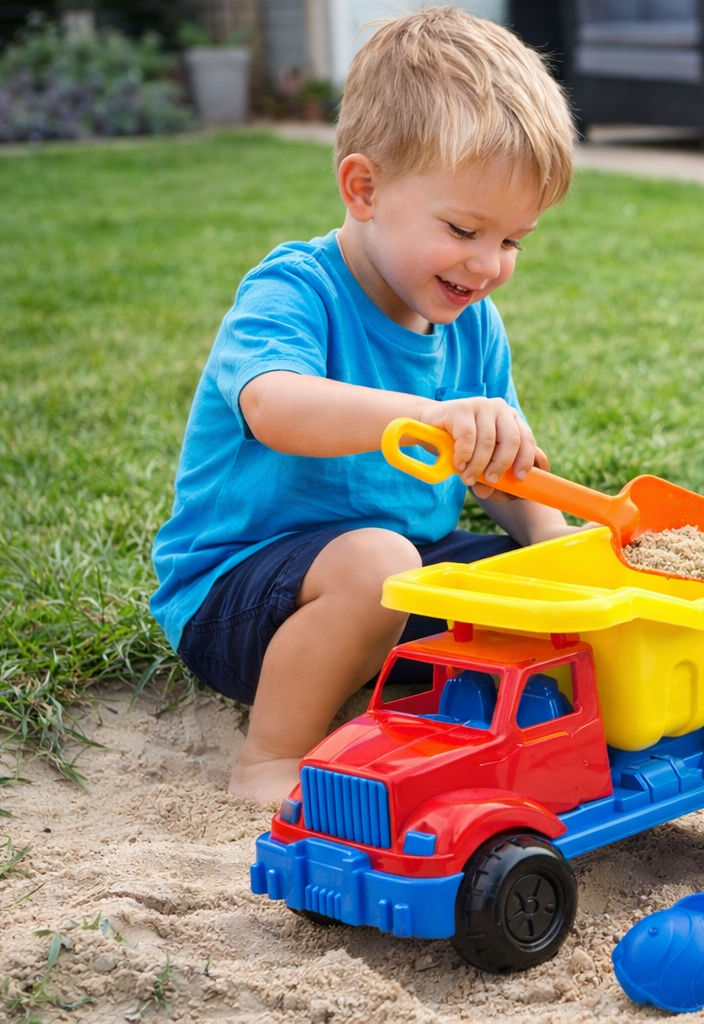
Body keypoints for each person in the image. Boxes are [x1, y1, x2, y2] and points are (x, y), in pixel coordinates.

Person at [150, 8, 584, 807]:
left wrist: (561, 562)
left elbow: (502, 482)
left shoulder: (473, 325)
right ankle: (271, 757)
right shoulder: (294, 290)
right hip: (241, 599)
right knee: (378, 560)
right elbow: (276, 405)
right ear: (364, 188)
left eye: (514, 240)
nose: (489, 265)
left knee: (523, 589)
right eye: (464, 228)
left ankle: (433, 711)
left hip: (398, 582)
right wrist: (419, 418)